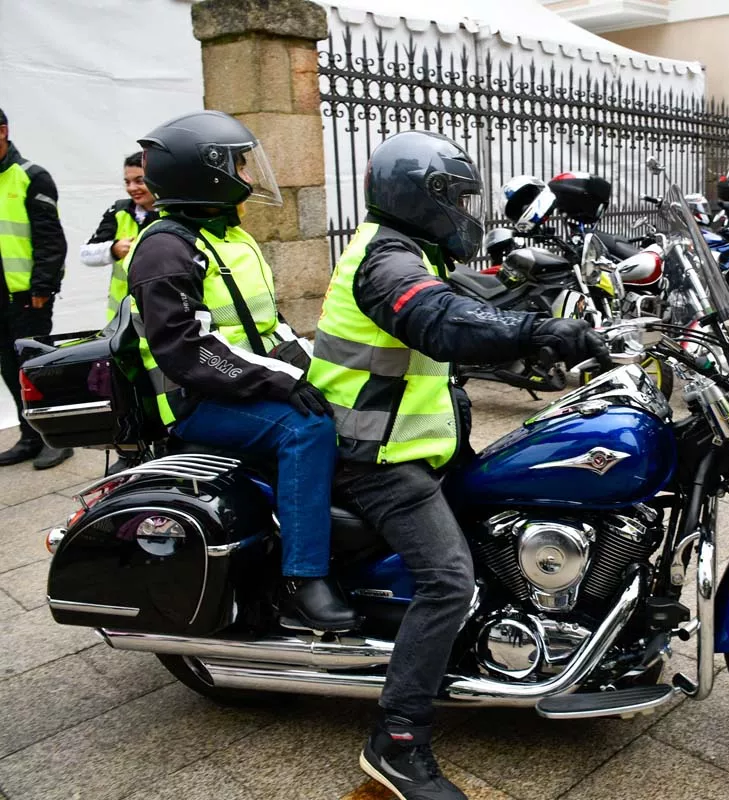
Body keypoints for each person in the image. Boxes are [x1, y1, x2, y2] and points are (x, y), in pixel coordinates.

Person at [306, 130, 606, 800]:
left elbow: (471, 311)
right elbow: (437, 320)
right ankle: (397, 741)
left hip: (417, 445)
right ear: (423, 195)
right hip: (377, 459)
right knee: (449, 580)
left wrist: (540, 330)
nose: (468, 211)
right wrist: (535, 332)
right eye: (458, 197)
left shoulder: (412, 251)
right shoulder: (384, 262)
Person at [125, 110, 356, 632]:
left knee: (344, 406)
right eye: (240, 165)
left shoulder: (229, 236)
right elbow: (188, 349)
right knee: (307, 429)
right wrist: (283, 382)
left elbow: (268, 329)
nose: (249, 175)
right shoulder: (166, 247)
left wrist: (321, 373)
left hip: (240, 385)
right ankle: (303, 580)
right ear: (205, 172)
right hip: (198, 401)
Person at [0, 107, 71, 469]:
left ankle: (58, 437)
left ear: (3, 132)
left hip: (28, 295)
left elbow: (51, 239)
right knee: (10, 368)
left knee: (36, 366)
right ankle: (30, 436)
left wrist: (43, 286)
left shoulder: (31, 176)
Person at [81, 152, 159, 322]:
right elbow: (86, 254)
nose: (131, 188)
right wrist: (113, 250)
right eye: (127, 182)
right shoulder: (119, 211)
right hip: (121, 320)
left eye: (139, 181)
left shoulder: (175, 214)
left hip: (158, 316)